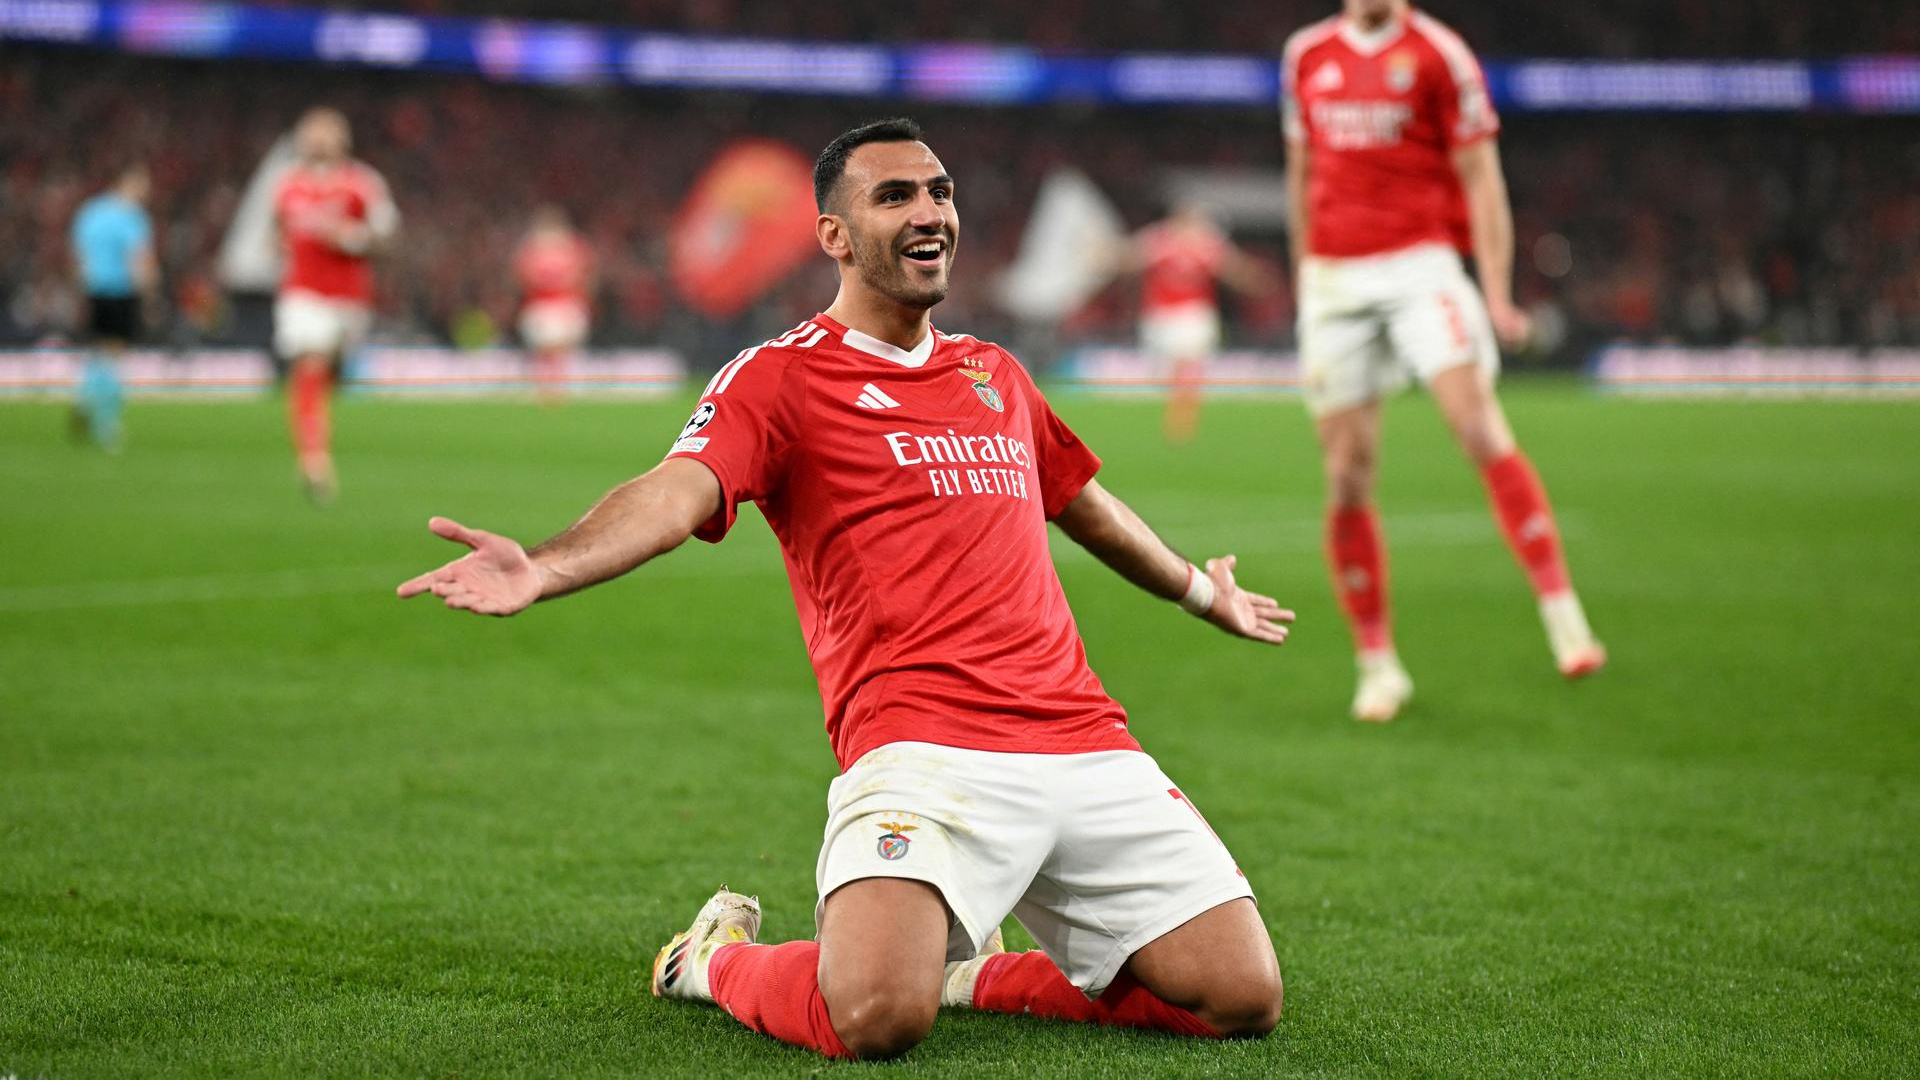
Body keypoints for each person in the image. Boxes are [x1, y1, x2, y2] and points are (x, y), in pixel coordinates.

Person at [398, 119, 1294, 1060]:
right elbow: (676, 490)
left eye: (940, 192)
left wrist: (1203, 595)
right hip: (922, 746)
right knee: (872, 1018)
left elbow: (1086, 506)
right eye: (894, 196)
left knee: (1240, 998)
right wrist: (545, 565)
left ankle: (971, 976)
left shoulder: (993, 373)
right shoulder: (782, 376)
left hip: (1083, 739)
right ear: (834, 234)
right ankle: (714, 960)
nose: (929, 212)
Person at [1282, 0, 1605, 721]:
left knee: (1477, 425)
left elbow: (1482, 176)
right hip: (1333, 278)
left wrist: (1497, 292)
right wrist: (1306, 280)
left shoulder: (1440, 54)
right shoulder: (1306, 55)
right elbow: (1300, 172)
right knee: (1346, 474)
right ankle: (1377, 664)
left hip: (1421, 267)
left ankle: (1563, 615)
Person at [272, 107, 397, 503]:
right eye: (310, 132)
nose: (316, 140)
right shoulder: (287, 184)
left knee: (332, 373)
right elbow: (278, 232)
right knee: (310, 364)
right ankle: (314, 460)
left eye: (324, 133)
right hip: (303, 293)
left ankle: (315, 433)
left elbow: (387, 235)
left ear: (342, 139)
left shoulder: (363, 183)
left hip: (349, 298)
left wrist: (352, 239)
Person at [1114, 202, 1276, 443]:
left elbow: (1233, 269)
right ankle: (1177, 414)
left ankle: (1181, 421)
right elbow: (1129, 257)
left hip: (1194, 315)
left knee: (1189, 365)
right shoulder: (1159, 239)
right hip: (1160, 316)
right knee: (1166, 372)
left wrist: (1258, 281)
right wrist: (1105, 255)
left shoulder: (1207, 243)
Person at [69, 163, 156, 451]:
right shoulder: (132, 216)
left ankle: (84, 397)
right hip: (120, 290)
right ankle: (107, 423)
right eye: (141, 183)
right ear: (126, 182)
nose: (146, 190)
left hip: (94, 289)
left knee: (99, 351)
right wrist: (149, 296)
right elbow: (139, 258)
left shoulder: (90, 212)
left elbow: (78, 254)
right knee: (115, 355)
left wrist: (82, 287)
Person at [513, 205, 595, 401]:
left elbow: (521, 277)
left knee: (555, 350)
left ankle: (554, 385)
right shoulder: (539, 248)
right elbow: (587, 277)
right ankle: (550, 385)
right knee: (550, 350)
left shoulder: (536, 249)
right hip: (548, 305)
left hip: (560, 305)